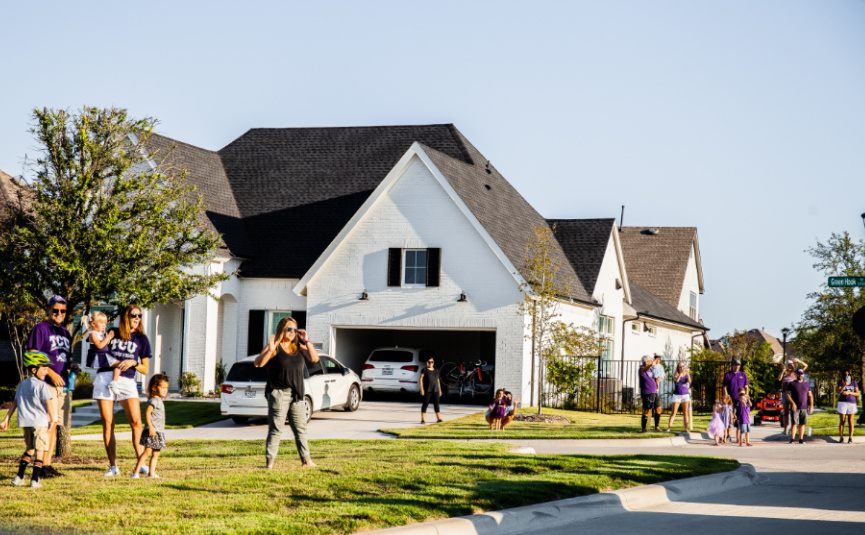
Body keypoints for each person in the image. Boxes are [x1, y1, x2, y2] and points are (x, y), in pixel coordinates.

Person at [95, 305, 152, 477]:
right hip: (105, 377)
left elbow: (145, 369)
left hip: (127, 380)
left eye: (139, 315)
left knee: (136, 422)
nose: (137, 318)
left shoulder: (142, 339)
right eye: (133, 315)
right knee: (108, 422)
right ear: (125, 317)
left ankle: (140, 464)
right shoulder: (112, 332)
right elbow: (97, 348)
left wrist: (133, 362)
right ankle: (113, 466)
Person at [254, 317, 318, 469]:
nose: (292, 332)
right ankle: (269, 464)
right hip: (278, 393)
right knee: (276, 429)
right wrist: (269, 351)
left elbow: (314, 358)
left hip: (296, 394)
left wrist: (307, 340)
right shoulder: (275, 346)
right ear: (282, 329)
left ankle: (307, 461)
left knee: (301, 429)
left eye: (295, 330)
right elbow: (258, 363)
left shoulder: (299, 348)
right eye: (289, 329)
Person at [25, 295, 72, 478]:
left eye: (63, 311)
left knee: (54, 425)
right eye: (55, 310)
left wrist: (70, 366)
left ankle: (48, 465)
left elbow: (62, 358)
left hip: (62, 385)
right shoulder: (40, 328)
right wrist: (50, 372)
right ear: (48, 309)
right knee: (45, 426)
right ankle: (40, 465)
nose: (59, 314)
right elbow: (31, 355)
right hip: (45, 384)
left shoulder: (65, 333)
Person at [0, 351, 58, 488]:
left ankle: (19, 477)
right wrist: (53, 419)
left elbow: (15, 403)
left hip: (26, 423)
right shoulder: (41, 385)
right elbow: (49, 403)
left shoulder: (21, 385)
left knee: (30, 449)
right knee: (40, 451)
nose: (46, 372)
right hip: (40, 423)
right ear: (34, 369)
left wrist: (6, 419)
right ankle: (35, 479)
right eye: (44, 369)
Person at [132, 374, 169, 478]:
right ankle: (135, 472)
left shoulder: (159, 400)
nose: (165, 390)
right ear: (154, 387)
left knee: (156, 453)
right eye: (162, 388)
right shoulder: (154, 400)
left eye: (166, 388)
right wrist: (151, 427)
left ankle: (151, 473)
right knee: (147, 452)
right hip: (152, 431)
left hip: (159, 431)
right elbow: (147, 414)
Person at [83, 311, 118, 394]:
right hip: (99, 356)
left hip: (105, 354)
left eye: (105, 323)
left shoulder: (100, 333)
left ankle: (113, 382)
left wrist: (108, 338)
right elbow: (99, 345)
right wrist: (107, 338)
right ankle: (114, 383)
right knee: (119, 365)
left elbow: (106, 343)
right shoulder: (93, 334)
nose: (104, 325)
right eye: (101, 323)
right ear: (93, 324)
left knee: (118, 366)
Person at [778, 358, 807, 435]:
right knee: (786, 413)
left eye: (791, 365)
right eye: (788, 365)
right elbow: (779, 378)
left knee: (794, 412)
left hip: (793, 394)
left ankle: (792, 429)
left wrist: (798, 361)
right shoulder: (784, 373)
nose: (790, 366)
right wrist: (783, 370)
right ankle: (785, 429)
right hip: (785, 394)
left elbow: (805, 366)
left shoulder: (795, 373)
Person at [786, 369, 813, 444]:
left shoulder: (806, 384)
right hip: (795, 407)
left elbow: (810, 396)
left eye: (801, 374)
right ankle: (792, 439)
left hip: (804, 407)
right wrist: (793, 403)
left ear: (803, 375)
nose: (800, 375)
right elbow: (787, 394)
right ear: (796, 374)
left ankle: (801, 439)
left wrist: (811, 406)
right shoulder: (792, 384)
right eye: (798, 374)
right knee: (794, 423)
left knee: (802, 423)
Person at [639, 355, 662, 432]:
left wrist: (658, 381)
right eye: (650, 361)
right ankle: (644, 428)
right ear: (646, 362)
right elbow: (643, 371)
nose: (651, 362)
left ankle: (657, 426)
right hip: (647, 392)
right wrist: (651, 365)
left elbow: (655, 377)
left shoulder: (651, 370)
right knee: (647, 409)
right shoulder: (642, 369)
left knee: (658, 408)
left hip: (654, 392)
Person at [666, 362, 691, 432]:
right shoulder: (675, 374)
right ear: (678, 367)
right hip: (677, 395)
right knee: (674, 412)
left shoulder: (686, 375)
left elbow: (689, 381)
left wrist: (687, 373)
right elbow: (677, 380)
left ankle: (686, 428)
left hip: (685, 395)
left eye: (683, 366)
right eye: (680, 366)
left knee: (685, 412)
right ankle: (669, 428)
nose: (682, 367)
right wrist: (680, 373)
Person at [837, 369, 860, 444]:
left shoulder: (854, 383)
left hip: (851, 403)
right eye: (845, 374)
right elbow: (838, 392)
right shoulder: (841, 382)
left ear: (850, 375)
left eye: (848, 375)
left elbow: (857, 393)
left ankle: (850, 438)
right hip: (842, 403)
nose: (846, 376)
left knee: (850, 421)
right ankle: (841, 437)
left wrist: (849, 392)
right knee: (842, 421)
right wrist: (844, 385)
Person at [418, 357, 442, 424]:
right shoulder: (424, 370)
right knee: (425, 403)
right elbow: (420, 380)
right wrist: (422, 389)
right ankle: (422, 419)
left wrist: (440, 390)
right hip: (427, 389)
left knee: (436, 404)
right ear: (426, 362)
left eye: (432, 362)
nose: (430, 363)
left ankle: (439, 418)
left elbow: (438, 380)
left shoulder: (436, 370)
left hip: (436, 389)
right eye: (429, 362)